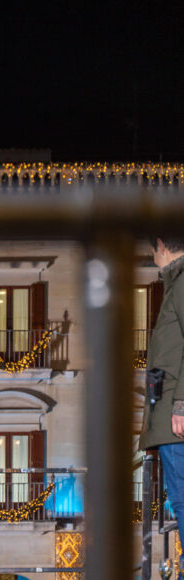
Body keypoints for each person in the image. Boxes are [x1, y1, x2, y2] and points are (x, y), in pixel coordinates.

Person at [139, 235, 184, 561]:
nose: (153, 257)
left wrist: (181, 403)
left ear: (162, 246)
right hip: (171, 413)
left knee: (182, 498)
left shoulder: (181, 283)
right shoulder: (176, 283)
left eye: (152, 251)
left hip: (175, 418)